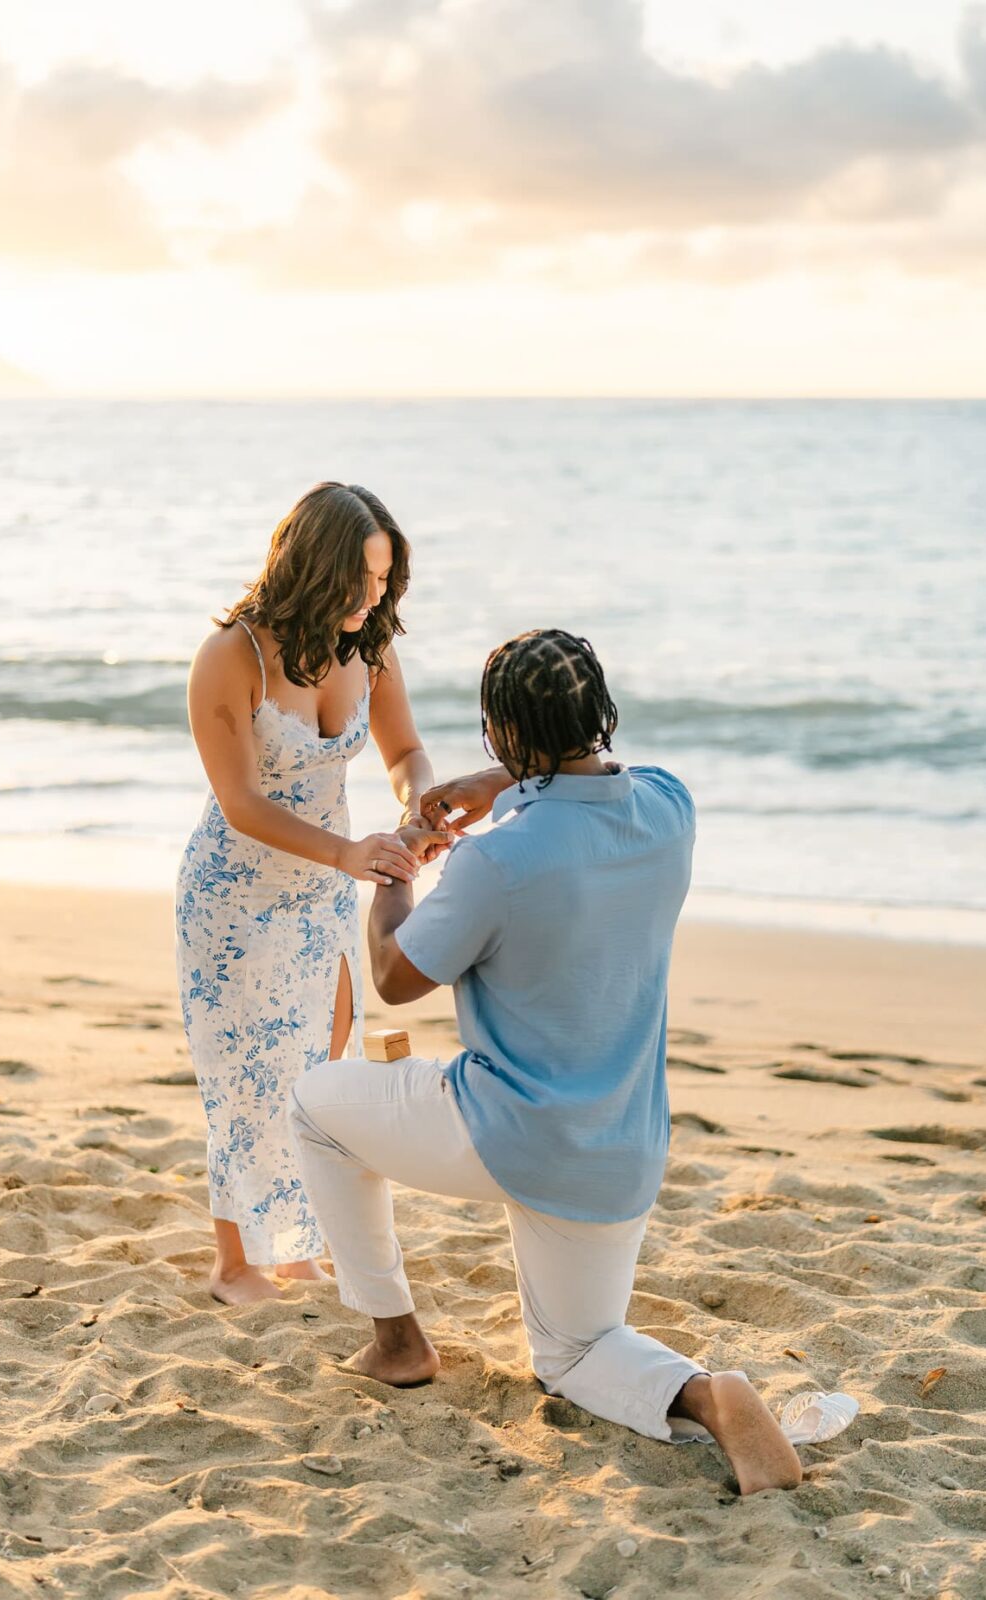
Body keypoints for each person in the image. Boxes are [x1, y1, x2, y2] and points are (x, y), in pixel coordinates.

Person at [289, 627, 803, 1495]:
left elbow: (393, 976)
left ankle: (397, 1340)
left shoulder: (497, 861)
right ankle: (709, 1395)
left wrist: (399, 867)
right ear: (600, 710)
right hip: (621, 1151)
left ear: (501, 735)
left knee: (315, 1107)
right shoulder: (671, 810)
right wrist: (509, 783)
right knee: (574, 1353)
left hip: (506, 1130)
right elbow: (600, 779)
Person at [175, 482, 446, 1304]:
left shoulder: (370, 644)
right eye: (359, 579)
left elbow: (406, 753)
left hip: (329, 888)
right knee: (242, 1075)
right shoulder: (232, 656)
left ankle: (293, 1246)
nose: (372, 597)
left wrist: (418, 808)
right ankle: (234, 1263)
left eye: (383, 578)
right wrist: (347, 853)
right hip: (234, 895)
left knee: (317, 1070)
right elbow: (241, 802)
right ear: (312, 568)